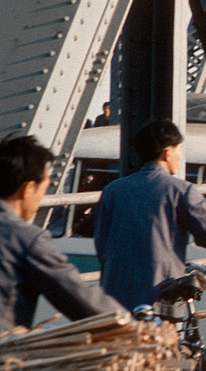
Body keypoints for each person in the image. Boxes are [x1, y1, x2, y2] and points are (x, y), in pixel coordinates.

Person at [94, 120, 206, 312]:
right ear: (168, 152)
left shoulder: (112, 191)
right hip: (159, 297)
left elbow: (101, 244)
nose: (180, 156)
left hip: (114, 296)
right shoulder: (181, 191)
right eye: (179, 149)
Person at [0, 135, 123, 328]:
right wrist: (136, 325)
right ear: (28, 189)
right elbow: (81, 301)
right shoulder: (25, 239)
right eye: (44, 189)